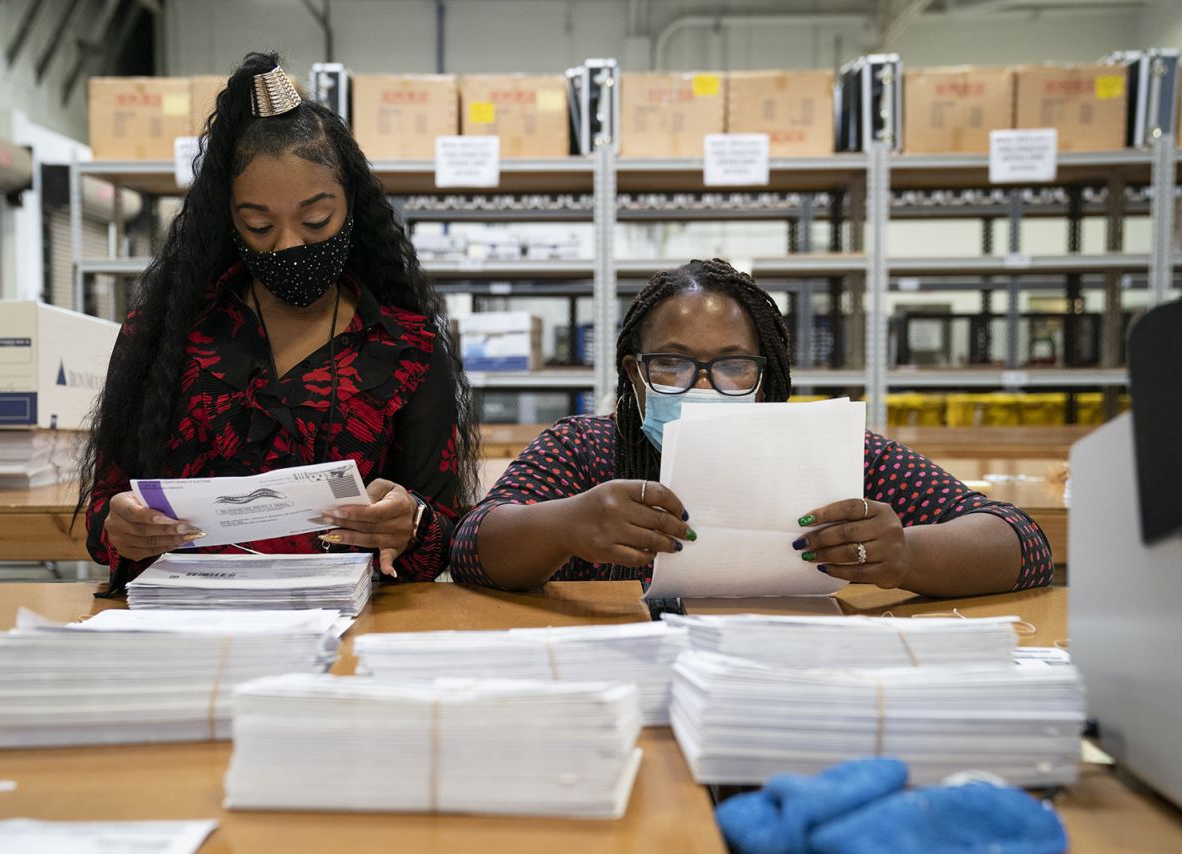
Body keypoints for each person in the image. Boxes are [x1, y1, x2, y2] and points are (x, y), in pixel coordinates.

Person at [79, 53, 478, 592]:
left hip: (347, 631)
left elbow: (445, 532)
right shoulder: (164, 335)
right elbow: (106, 510)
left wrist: (410, 523)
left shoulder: (407, 348)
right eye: (259, 225)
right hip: (182, 624)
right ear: (229, 224)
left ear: (353, 207)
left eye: (316, 220)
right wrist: (119, 526)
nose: (288, 244)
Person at [450, 258, 1052, 596]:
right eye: (673, 363)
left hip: (786, 690)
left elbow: (1022, 544)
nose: (703, 385)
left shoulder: (836, 459)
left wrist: (908, 555)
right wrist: (565, 524)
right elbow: (472, 548)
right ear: (635, 374)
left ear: (769, 375)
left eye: (733, 365)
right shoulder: (583, 452)